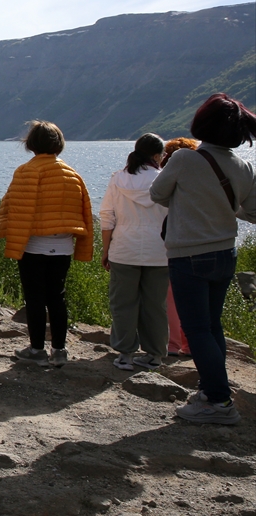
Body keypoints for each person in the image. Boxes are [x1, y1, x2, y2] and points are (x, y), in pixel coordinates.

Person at [151, 94, 256, 426]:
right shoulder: (244, 166)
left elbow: (157, 194)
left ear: (202, 124)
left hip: (189, 255)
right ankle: (212, 391)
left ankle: (218, 401)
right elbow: (251, 212)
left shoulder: (183, 158)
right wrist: (222, 206)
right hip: (226, 254)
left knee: (196, 329)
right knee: (212, 326)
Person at [0, 121, 93, 368]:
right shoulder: (73, 175)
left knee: (35, 297)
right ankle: (59, 350)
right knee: (57, 296)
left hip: (33, 245)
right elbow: (84, 211)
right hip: (62, 246)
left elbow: (12, 206)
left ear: (31, 144)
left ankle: (37, 349)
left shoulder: (25, 171)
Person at [100, 133, 168, 371]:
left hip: (123, 248)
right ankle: (155, 354)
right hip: (159, 251)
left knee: (123, 303)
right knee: (156, 304)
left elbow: (107, 217)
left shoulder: (118, 179)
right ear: (157, 156)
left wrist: (105, 249)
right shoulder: (164, 180)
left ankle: (125, 354)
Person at [161, 137, 199, 357]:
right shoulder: (198, 182)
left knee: (171, 297)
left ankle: (173, 343)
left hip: (170, 244)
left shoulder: (165, 181)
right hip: (196, 244)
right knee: (194, 299)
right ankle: (190, 343)